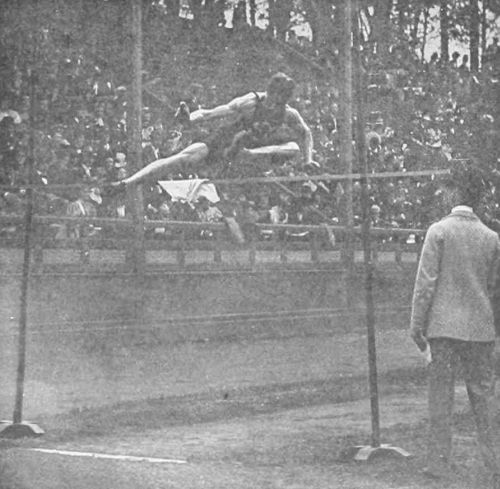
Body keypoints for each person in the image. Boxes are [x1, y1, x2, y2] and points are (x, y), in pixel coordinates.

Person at [409, 162, 500, 487]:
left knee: (441, 398)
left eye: (447, 188)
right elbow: (495, 289)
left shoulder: (439, 231)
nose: (443, 194)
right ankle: (493, 463)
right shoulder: (492, 238)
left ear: (455, 192)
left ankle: (439, 463)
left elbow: (425, 284)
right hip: (480, 329)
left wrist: (417, 326)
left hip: (443, 329)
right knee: (484, 398)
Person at [114, 73, 314, 187]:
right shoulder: (249, 102)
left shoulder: (288, 113)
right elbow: (209, 114)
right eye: (271, 98)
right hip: (227, 140)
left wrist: (308, 161)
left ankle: (248, 155)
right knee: (183, 159)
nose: (272, 104)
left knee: (294, 148)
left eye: (278, 102)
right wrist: (188, 119)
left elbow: (306, 134)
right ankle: (127, 182)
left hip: (254, 149)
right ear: (269, 92)